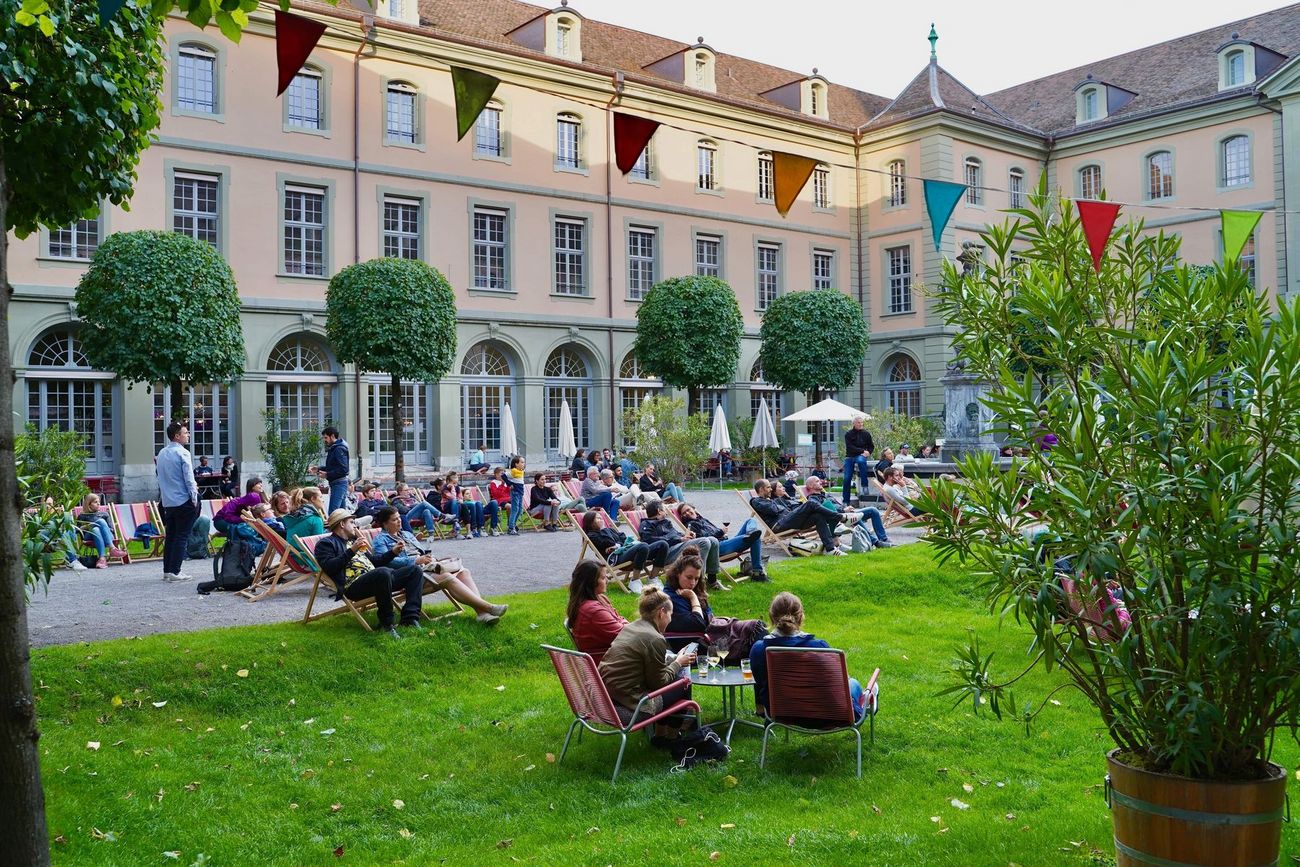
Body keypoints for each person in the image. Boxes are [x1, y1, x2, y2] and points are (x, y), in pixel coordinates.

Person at [371, 507, 508, 624]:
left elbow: (422, 552)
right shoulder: (380, 539)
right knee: (447, 577)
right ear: (385, 524)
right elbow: (385, 561)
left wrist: (431, 559)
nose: (399, 521)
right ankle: (488, 608)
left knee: (464, 572)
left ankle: (482, 613)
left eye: (399, 518)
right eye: (394, 519)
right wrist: (415, 561)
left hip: (427, 568)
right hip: (411, 576)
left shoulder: (406, 534)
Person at [749, 591, 870, 720]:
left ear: (772, 617)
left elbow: (762, 686)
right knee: (853, 683)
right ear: (801, 617)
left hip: (782, 715)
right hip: (826, 716)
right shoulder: (819, 648)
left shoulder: (758, 649)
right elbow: (840, 685)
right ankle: (867, 700)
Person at [598, 587, 697, 736]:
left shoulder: (630, 627)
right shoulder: (655, 638)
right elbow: (659, 683)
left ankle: (661, 734)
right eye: (670, 614)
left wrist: (675, 658)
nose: (671, 619)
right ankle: (672, 737)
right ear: (661, 612)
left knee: (676, 679)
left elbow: (642, 662)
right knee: (683, 683)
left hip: (607, 699)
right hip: (631, 706)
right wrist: (678, 663)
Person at [314, 509, 427, 638]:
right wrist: (352, 550)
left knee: (414, 570)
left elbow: (375, 561)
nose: (355, 526)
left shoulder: (353, 541)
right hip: (354, 586)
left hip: (378, 578)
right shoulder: (326, 544)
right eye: (352, 522)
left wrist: (393, 552)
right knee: (382, 572)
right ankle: (387, 624)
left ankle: (410, 619)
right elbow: (330, 567)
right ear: (342, 524)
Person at [676, 502, 768, 582]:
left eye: (688, 509)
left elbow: (715, 531)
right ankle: (757, 573)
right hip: (718, 548)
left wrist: (722, 534)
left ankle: (750, 533)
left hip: (725, 542)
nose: (687, 513)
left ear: (694, 509)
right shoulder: (691, 525)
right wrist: (721, 532)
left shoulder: (703, 519)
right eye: (684, 513)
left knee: (751, 521)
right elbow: (705, 539)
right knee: (754, 537)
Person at [749, 478, 842, 556]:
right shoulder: (756, 501)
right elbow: (773, 511)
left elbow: (786, 509)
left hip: (788, 521)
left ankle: (830, 549)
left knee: (818, 516)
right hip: (779, 525)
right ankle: (840, 517)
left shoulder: (770, 500)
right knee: (810, 503)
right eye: (768, 487)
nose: (771, 489)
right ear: (761, 489)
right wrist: (770, 500)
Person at [637, 500, 723, 583]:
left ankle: (712, 581)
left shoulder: (666, 522)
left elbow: (676, 534)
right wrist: (679, 539)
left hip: (678, 547)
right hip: (666, 553)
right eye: (664, 508)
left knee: (713, 540)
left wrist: (686, 535)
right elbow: (648, 541)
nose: (666, 511)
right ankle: (699, 582)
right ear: (659, 511)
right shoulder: (646, 524)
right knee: (704, 542)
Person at [156, 421, 200, 581]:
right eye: (185, 433)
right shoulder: (183, 453)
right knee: (182, 536)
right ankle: (175, 570)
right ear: (177, 436)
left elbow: (159, 476)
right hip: (183, 499)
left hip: (168, 501)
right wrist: (194, 497)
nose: (188, 435)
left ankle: (168, 570)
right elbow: (189, 478)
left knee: (171, 536)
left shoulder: (161, 453)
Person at [804, 475, 893, 549]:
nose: (820, 482)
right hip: (836, 518)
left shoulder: (826, 494)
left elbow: (837, 505)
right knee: (854, 517)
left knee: (873, 511)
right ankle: (876, 542)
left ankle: (883, 539)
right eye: (817, 481)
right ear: (810, 486)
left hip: (845, 514)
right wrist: (843, 510)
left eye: (819, 481)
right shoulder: (813, 499)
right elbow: (825, 510)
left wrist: (846, 508)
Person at [566, 561, 628, 659]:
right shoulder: (593, 611)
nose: (607, 581)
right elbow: (625, 636)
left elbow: (618, 619)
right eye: (603, 578)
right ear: (591, 582)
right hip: (609, 664)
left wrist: (623, 623)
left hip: (613, 656)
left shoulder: (597, 599)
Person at [581, 510, 669, 575]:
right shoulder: (591, 535)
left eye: (601, 518)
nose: (601, 520)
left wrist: (618, 545)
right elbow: (608, 542)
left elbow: (623, 538)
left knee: (662, 544)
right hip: (616, 558)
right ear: (591, 521)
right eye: (598, 518)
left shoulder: (609, 529)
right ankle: (635, 580)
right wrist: (604, 530)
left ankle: (653, 577)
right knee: (643, 546)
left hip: (627, 551)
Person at [662, 551, 714, 633]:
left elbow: (710, 615)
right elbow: (698, 624)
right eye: (689, 577)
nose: (693, 583)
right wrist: (693, 597)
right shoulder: (670, 597)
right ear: (678, 574)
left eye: (696, 579)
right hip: (692, 642)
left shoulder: (696, 589)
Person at [214, 477, 268, 552]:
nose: (261, 485)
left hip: (234, 520)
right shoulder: (240, 501)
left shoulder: (256, 497)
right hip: (221, 521)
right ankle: (249, 548)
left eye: (261, 483)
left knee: (252, 525)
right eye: (258, 483)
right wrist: (243, 519)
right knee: (242, 527)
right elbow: (228, 516)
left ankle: (254, 547)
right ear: (252, 486)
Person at [77, 492, 127, 569]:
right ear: (89, 504)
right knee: (98, 525)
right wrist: (89, 526)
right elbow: (78, 530)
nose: (98, 504)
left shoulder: (104, 514)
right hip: (89, 537)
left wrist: (101, 528)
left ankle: (102, 559)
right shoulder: (82, 516)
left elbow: (111, 529)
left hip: (108, 536)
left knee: (97, 529)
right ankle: (112, 549)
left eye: (99, 502)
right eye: (95, 502)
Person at [284, 486, 327, 568]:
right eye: (321, 497)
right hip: (306, 558)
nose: (323, 500)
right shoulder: (315, 519)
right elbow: (320, 545)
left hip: (292, 556)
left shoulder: (295, 515)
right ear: (313, 498)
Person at [313, 427, 350, 514]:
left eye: (326, 438)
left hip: (339, 484)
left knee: (334, 513)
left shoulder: (338, 449)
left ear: (332, 436)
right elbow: (334, 467)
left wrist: (327, 474)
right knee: (341, 514)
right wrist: (319, 468)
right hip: (338, 483)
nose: (325, 440)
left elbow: (344, 469)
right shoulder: (335, 448)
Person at [842, 416, 874, 504]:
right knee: (847, 478)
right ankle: (846, 501)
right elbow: (850, 447)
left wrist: (868, 452)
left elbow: (871, 446)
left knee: (861, 461)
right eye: (858, 422)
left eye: (861, 422)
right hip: (850, 456)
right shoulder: (848, 434)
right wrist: (863, 451)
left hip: (861, 456)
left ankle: (865, 485)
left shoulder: (866, 434)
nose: (860, 424)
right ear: (854, 424)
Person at [439, 473, 477, 539]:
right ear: (448, 481)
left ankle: (471, 530)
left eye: (456, 482)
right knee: (454, 501)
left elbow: (461, 498)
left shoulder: (457, 487)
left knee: (468, 505)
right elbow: (453, 497)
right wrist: (453, 488)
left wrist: (460, 501)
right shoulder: (444, 489)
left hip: (457, 505)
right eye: (453, 482)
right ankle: (457, 531)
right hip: (447, 508)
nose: (455, 484)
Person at [486, 467, 511, 536]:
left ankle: (512, 524)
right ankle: (510, 525)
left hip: (508, 499)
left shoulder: (506, 482)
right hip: (499, 500)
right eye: (501, 473)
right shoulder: (493, 483)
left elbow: (509, 493)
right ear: (496, 475)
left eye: (504, 473)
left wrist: (508, 485)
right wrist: (502, 484)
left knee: (516, 505)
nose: (503, 475)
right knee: (510, 506)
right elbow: (496, 495)